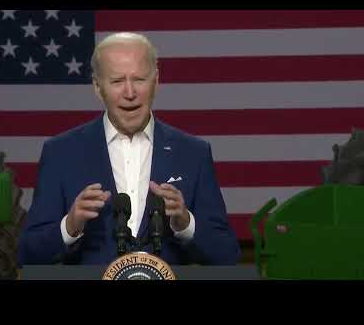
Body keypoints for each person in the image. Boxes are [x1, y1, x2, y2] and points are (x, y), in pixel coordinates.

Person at [18, 32, 241, 266]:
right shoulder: (61, 153)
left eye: (139, 79)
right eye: (117, 81)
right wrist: (70, 226)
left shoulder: (193, 153)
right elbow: (28, 254)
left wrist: (186, 224)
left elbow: (227, 255)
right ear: (97, 86)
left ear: (156, 81)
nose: (130, 93)